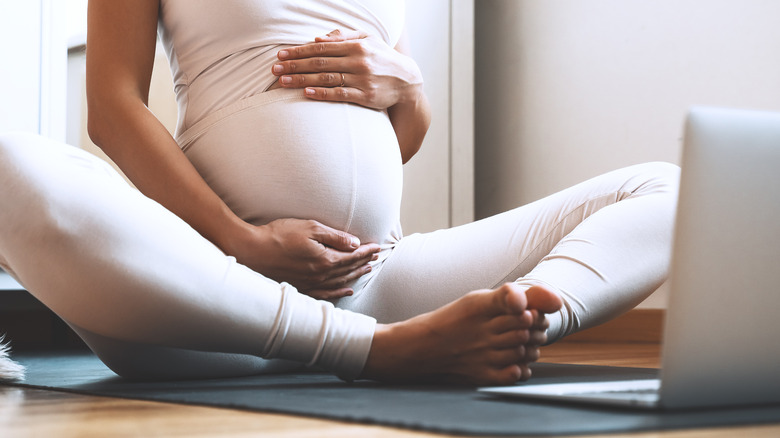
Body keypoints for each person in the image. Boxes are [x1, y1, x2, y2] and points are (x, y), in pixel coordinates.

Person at [0, 0, 678, 385]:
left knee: (669, 191)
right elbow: (112, 109)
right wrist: (243, 241)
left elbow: (400, 135)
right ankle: (378, 354)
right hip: (214, 293)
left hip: (381, 282)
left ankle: (514, 328)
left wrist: (409, 87)